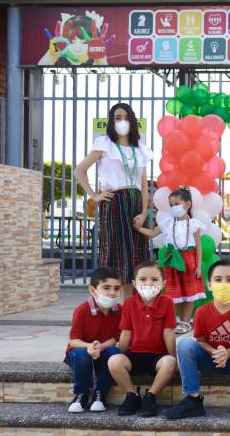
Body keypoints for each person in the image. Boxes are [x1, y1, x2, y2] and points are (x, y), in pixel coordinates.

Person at [163, 260, 230, 420]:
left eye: (229, 280)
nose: (224, 284)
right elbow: (200, 341)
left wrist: (228, 353)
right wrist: (216, 353)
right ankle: (193, 399)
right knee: (185, 344)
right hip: (210, 361)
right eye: (218, 280)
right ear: (210, 284)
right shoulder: (201, 312)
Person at [74, 103, 152, 296]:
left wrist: (143, 213)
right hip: (115, 202)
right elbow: (79, 170)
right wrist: (94, 195)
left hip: (135, 203)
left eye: (126, 117)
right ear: (111, 120)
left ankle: (132, 306)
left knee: (136, 255)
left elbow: (143, 185)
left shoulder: (139, 148)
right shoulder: (104, 143)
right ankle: (112, 304)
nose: (122, 121)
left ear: (132, 120)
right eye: (117, 117)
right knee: (117, 254)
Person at [107, 261, 177, 417]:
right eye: (143, 279)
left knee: (170, 363)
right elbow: (126, 333)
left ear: (163, 283)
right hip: (134, 354)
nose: (148, 283)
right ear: (134, 283)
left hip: (158, 357)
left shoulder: (167, 302)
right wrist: (122, 354)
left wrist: (174, 357)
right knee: (114, 361)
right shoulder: (129, 303)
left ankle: (151, 396)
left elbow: (168, 333)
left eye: (154, 279)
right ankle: (132, 395)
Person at [134, 188, 206, 334]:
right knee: (176, 293)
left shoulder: (194, 224)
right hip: (172, 260)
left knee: (189, 292)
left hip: (189, 260)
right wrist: (139, 228)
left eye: (176, 204)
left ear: (187, 204)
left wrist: (198, 265)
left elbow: (198, 246)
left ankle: (186, 321)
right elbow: (153, 233)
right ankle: (180, 319)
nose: (174, 207)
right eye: (171, 205)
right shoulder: (167, 222)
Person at [65, 267, 123, 413]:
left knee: (114, 352)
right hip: (80, 352)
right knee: (81, 355)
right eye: (106, 288)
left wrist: (101, 347)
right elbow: (74, 341)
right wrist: (89, 346)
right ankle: (81, 394)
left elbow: (116, 338)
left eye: (117, 288)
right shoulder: (82, 310)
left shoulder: (120, 310)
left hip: (103, 351)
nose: (112, 292)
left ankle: (100, 394)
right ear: (93, 290)